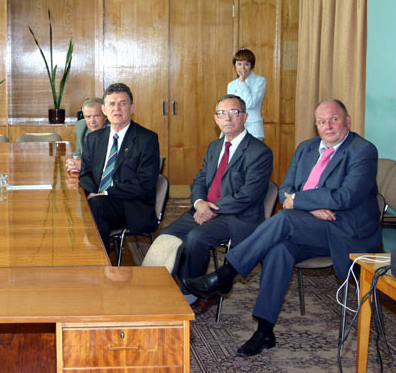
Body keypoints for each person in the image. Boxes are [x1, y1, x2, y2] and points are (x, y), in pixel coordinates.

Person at [183, 99, 382, 357]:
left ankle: (226, 274)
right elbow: (285, 190)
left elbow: (345, 197)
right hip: (307, 225)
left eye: (334, 119)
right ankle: (265, 331)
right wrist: (307, 207)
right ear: (316, 125)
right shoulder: (306, 148)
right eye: (321, 121)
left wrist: (299, 202)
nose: (328, 126)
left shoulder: (363, 150)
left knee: (284, 219)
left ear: (348, 121)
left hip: (344, 230)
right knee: (279, 250)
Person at [143, 94, 273, 314]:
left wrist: (211, 208)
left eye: (234, 112)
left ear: (244, 117)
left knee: (196, 238)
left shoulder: (259, 152)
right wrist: (199, 202)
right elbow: (200, 180)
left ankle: (193, 295)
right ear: (216, 119)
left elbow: (248, 195)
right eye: (222, 113)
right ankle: (159, 290)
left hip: (237, 217)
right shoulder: (215, 147)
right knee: (168, 235)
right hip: (206, 208)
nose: (227, 118)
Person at [79, 83, 160, 253]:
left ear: (132, 108)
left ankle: (100, 262)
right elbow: (85, 173)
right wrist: (92, 193)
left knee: (95, 207)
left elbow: (144, 182)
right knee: (79, 205)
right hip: (98, 201)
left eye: (122, 103)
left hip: (130, 206)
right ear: (104, 109)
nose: (117, 108)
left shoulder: (147, 139)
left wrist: (105, 194)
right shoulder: (94, 138)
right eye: (111, 104)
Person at [227, 48, 266, 139]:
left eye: (246, 64)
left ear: (251, 66)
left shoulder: (260, 81)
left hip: (253, 127)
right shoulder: (231, 85)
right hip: (235, 127)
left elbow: (249, 103)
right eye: (239, 64)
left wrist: (242, 81)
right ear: (235, 65)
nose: (243, 68)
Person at [66, 97, 107, 174]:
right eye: (88, 117)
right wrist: (73, 163)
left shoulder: (114, 130)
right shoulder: (81, 127)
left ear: (105, 116)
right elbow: (78, 154)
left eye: (97, 116)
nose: (92, 121)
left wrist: (84, 166)